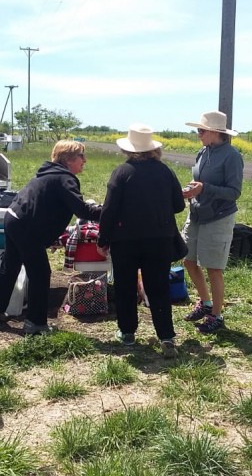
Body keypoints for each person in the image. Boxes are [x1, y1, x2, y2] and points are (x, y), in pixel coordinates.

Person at [0, 140, 101, 335]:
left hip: (12, 218)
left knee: (11, 265)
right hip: (27, 226)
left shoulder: (48, 173)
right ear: (69, 159)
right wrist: (109, 212)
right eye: (81, 156)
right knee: (40, 273)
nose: (84, 160)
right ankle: (36, 323)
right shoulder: (64, 178)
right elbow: (82, 210)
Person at [97, 124, 185, 357]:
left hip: (125, 240)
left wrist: (103, 238)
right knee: (159, 288)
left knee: (125, 286)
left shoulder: (122, 172)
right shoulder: (166, 171)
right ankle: (166, 337)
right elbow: (178, 205)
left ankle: (127, 333)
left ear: (129, 149)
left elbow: (109, 210)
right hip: (160, 239)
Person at [181, 111, 244, 334]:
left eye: (202, 130)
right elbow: (200, 181)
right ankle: (205, 303)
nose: (199, 134)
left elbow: (234, 192)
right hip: (197, 212)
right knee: (188, 259)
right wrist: (192, 189)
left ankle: (216, 315)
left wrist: (205, 188)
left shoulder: (232, 156)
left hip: (218, 217)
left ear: (216, 133)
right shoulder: (203, 152)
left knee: (214, 268)